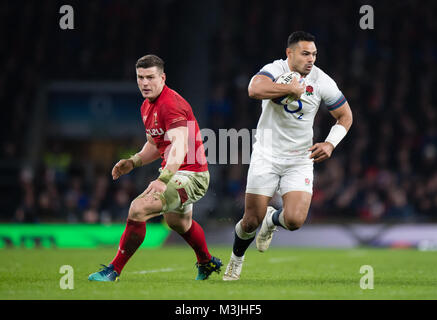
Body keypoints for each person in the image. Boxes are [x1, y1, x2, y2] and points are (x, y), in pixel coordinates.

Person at [222, 31, 353, 280]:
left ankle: (273, 219)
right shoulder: (274, 69)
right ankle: (236, 259)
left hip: (299, 159)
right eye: (305, 53)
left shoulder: (322, 80)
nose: (311, 59)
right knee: (250, 221)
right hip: (266, 154)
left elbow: (346, 116)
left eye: (314, 54)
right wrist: (288, 88)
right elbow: (254, 89)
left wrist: (330, 143)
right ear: (289, 53)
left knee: (294, 220)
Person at [88, 54, 222, 281]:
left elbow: (179, 147)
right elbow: (155, 143)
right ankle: (206, 262)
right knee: (178, 222)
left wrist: (163, 179)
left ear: (163, 78)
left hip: (191, 175)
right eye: (140, 77)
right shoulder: (147, 106)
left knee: (137, 208)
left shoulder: (171, 105)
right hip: (178, 172)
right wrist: (134, 161)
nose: (144, 83)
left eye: (150, 77)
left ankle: (113, 270)